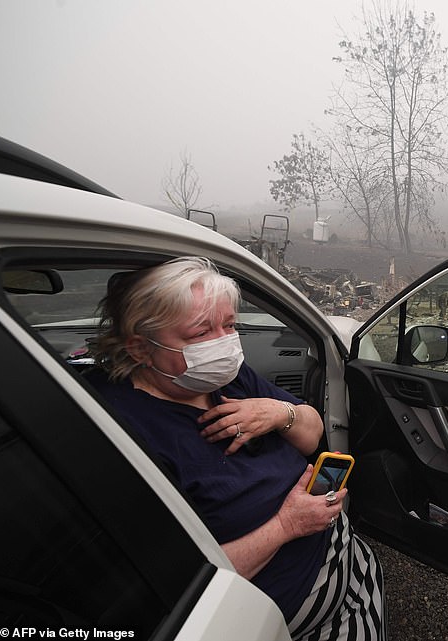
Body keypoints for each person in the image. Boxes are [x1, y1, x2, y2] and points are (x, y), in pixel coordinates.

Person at [88, 257, 385, 641]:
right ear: (142, 349)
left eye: (229, 325)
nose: (225, 343)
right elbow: (175, 585)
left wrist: (280, 412)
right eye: (201, 332)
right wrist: (287, 525)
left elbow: (312, 436)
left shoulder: (225, 378)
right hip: (291, 617)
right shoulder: (124, 431)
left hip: (342, 555)